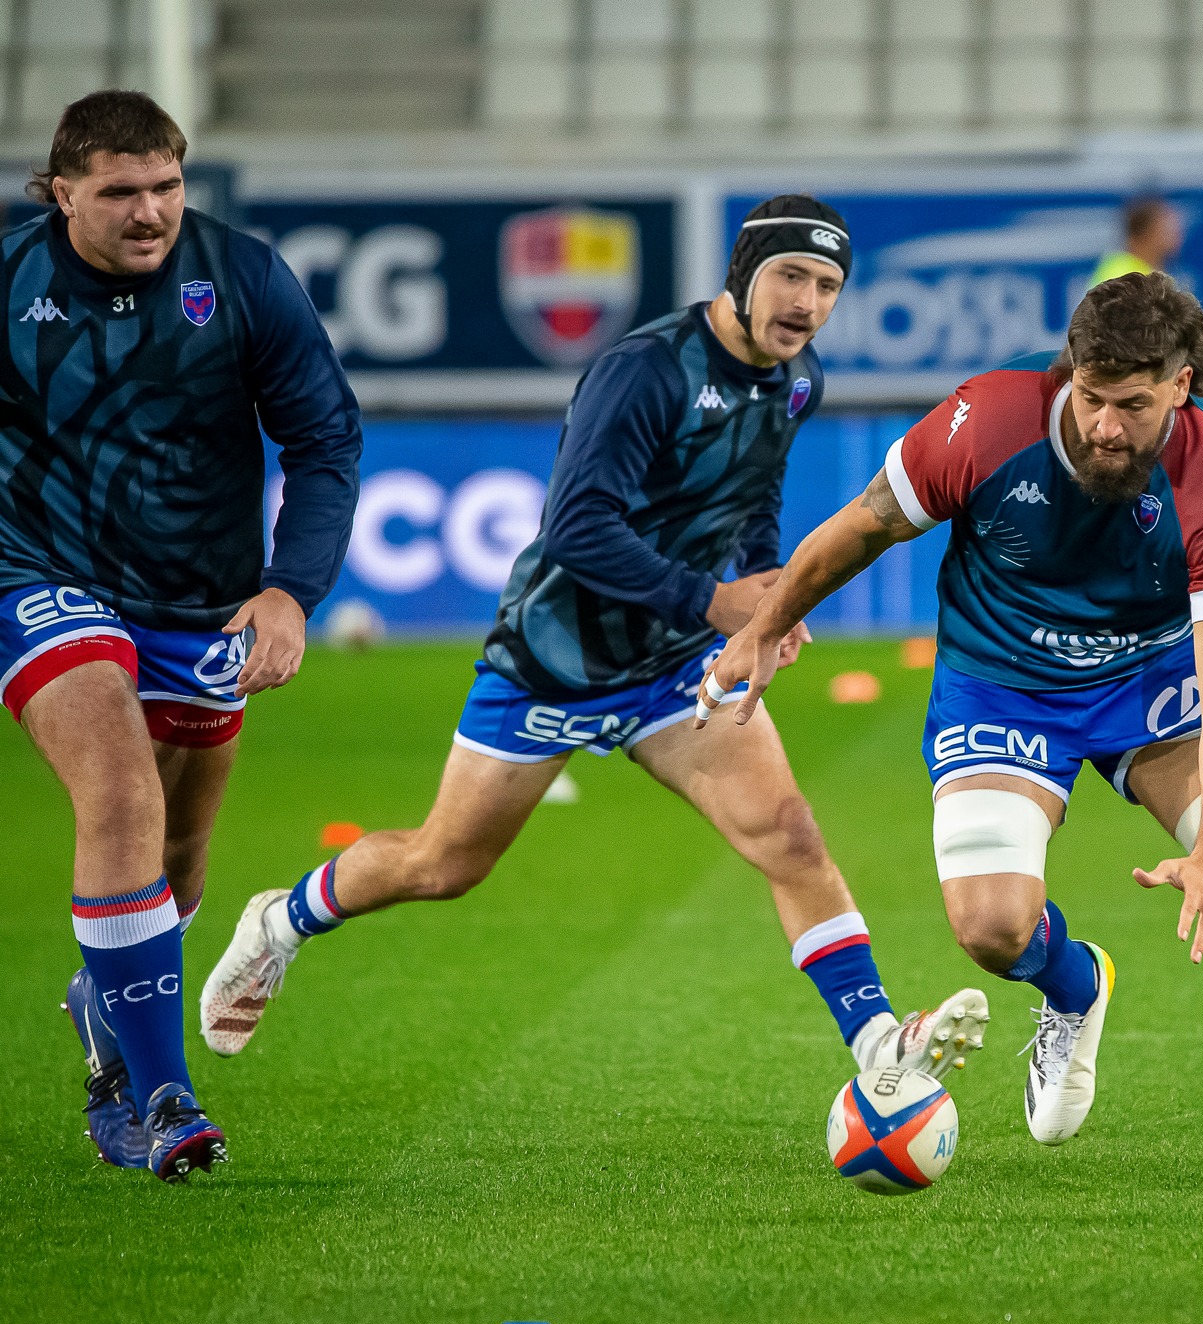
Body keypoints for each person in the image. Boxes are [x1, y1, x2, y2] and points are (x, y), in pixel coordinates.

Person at [200, 196, 992, 1089]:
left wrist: (768, 590)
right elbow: (575, 526)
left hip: (672, 671)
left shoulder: (798, 379)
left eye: (827, 286)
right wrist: (713, 599)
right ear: (743, 272)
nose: (806, 303)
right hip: (554, 661)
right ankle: (281, 923)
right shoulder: (644, 370)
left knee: (790, 838)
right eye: (790, 277)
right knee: (444, 864)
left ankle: (879, 1046)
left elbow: (756, 488)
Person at [700, 272, 1203, 1194]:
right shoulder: (984, 423)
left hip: (1155, 689)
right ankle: (1074, 987)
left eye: (1134, 405)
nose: (1107, 425)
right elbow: (860, 530)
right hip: (1003, 684)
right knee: (990, 927)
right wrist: (764, 622)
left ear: (1180, 388)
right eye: (1092, 397)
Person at [0, 91, 361, 1181]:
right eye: (119, 192)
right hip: (43, 580)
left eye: (166, 185)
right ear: (62, 193)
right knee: (119, 791)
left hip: (201, 604)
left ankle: (108, 1000)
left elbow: (325, 440)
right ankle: (153, 1098)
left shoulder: (242, 276)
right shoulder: (11, 286)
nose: (150, 210)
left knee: (177, 854)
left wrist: (292, 591)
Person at [1090, 196, 1183, 286]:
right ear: (1146, 233)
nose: (1176, 237)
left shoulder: (1145, 273)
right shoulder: (1124, 277)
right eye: (1166, 230)